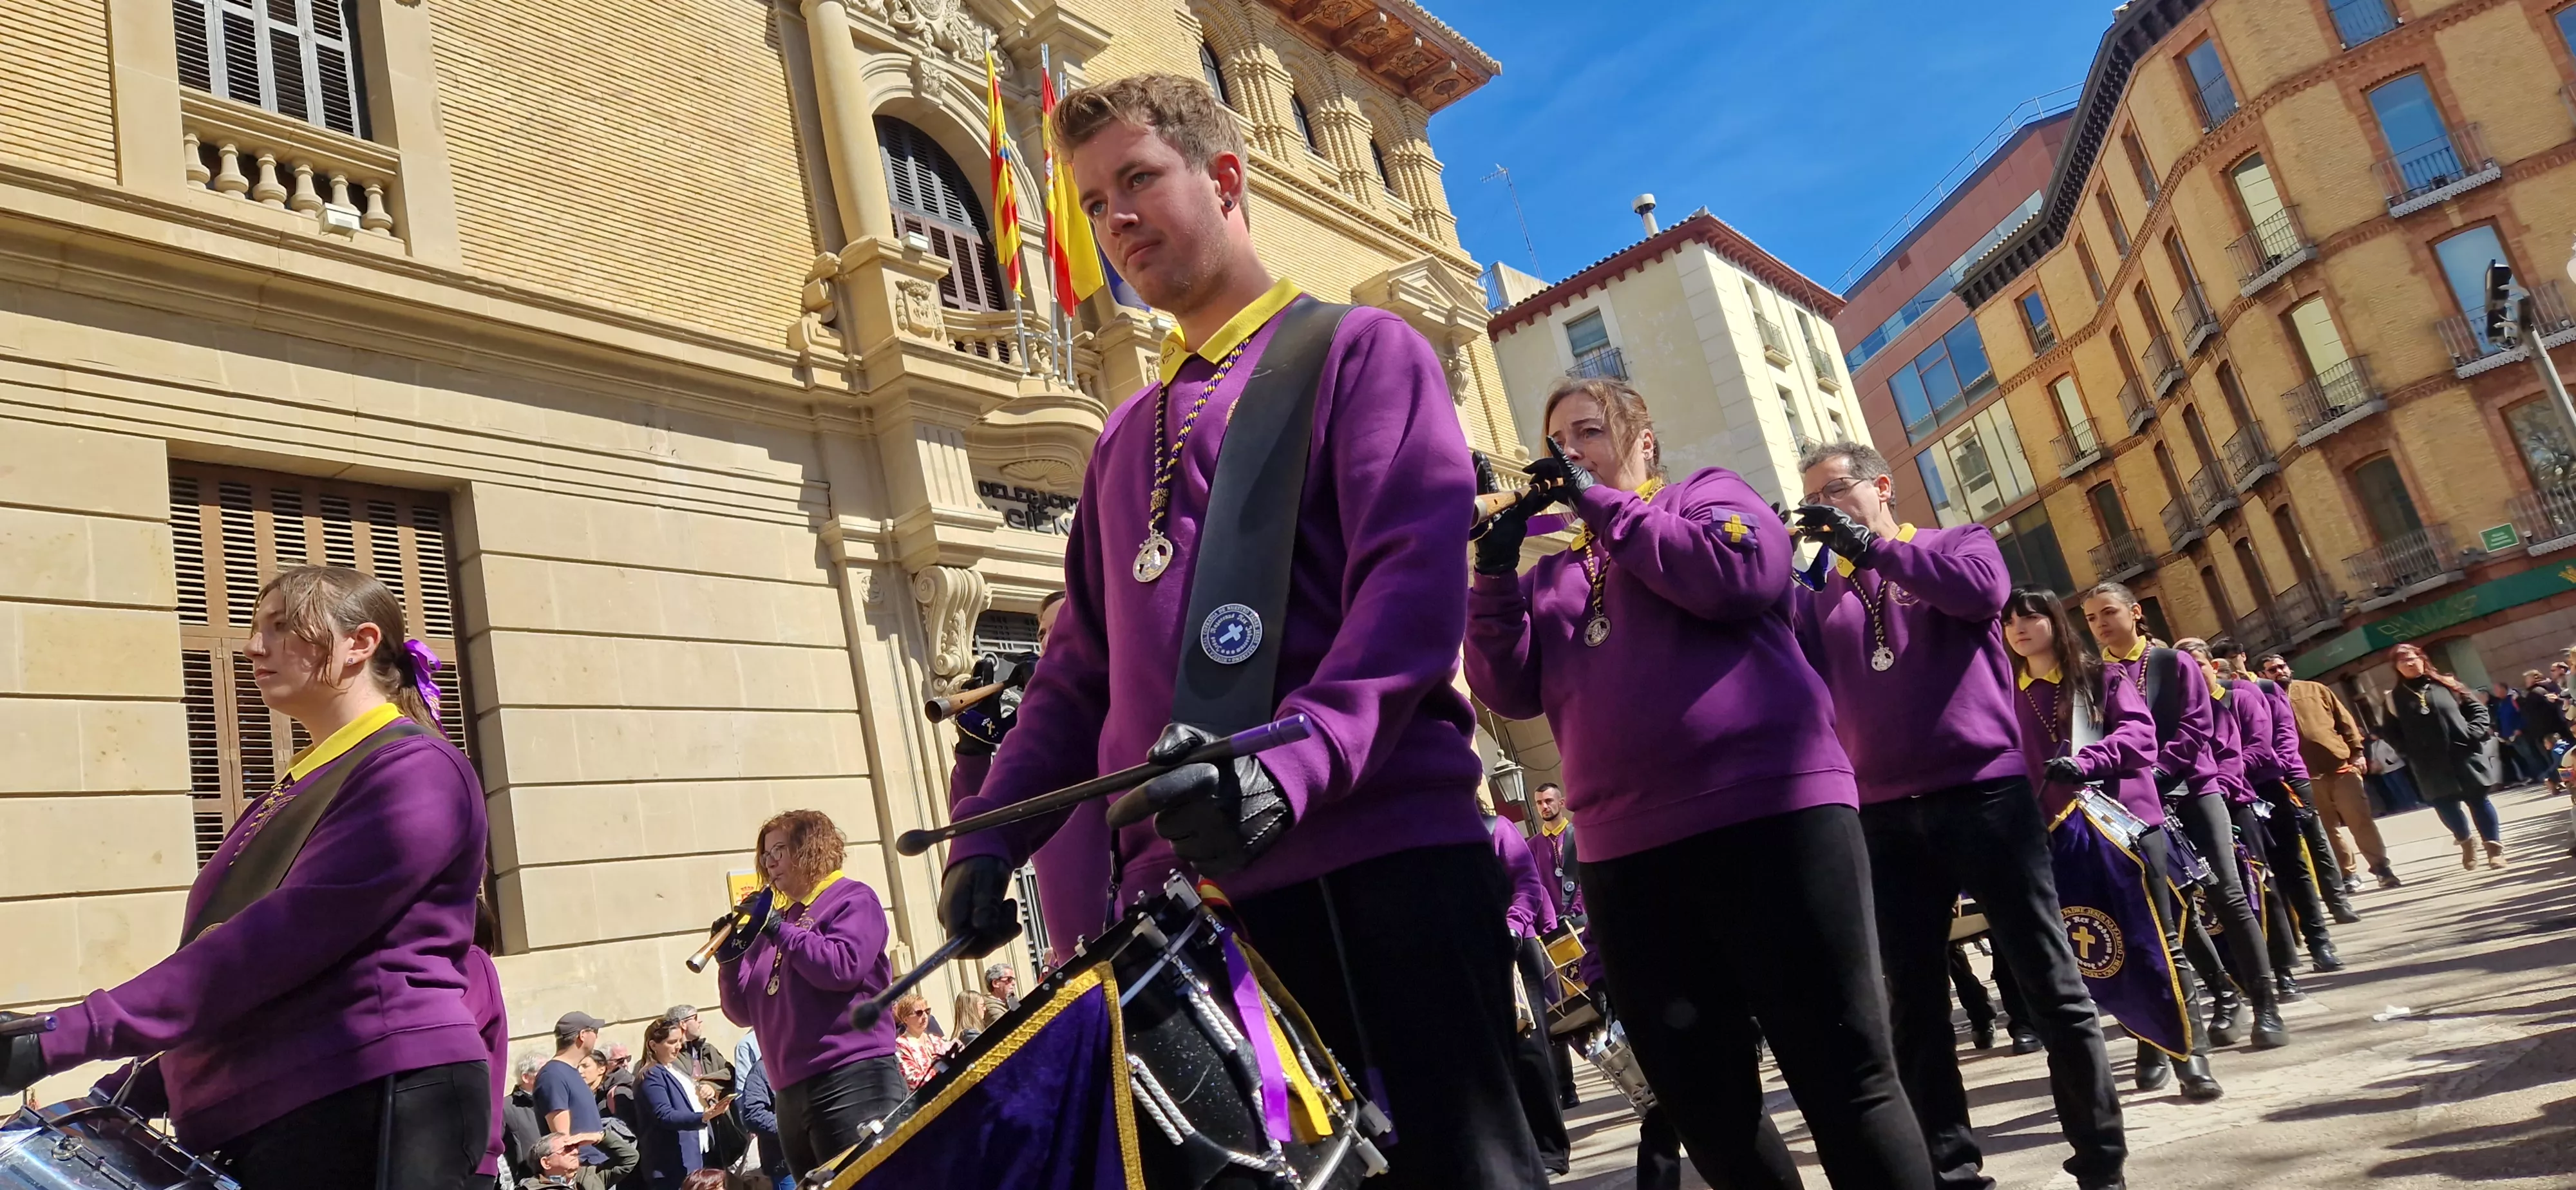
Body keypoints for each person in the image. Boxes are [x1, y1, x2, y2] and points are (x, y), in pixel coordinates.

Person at [938, 71, 1544, 1186]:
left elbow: (1409, 599)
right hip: (1197, 904)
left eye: (1137, 180)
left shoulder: (1362, 353)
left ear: (1224, 179)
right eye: (1092, 200)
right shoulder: (1125, 438)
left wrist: (1295, 757)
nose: (1115, 217)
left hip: (1380, 856)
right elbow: (1074, 678)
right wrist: (989, 834)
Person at [1470, 397, 1931, 1189]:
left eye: (1589, 430)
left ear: (1646, 440)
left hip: (1773, 818)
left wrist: (1594, 496)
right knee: (1704, 1104)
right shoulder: (1550, 572)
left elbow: (1740, 576)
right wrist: (1490, 572)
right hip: (1626, 851)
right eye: (1558, 440)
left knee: (1842, 1074)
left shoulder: (1708, 497)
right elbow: (1508, 689)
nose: (1570, 449)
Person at [0, 566, 489, 1189]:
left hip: (368, 1096)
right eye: (256, 630)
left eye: (283, 627)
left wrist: (68, 1033)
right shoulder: (300, 785)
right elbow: (231, 967)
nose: (255, 647)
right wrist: (137, 1083)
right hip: (286, 1111)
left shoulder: (415, 768)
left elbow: (278, 941)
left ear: (360, 644)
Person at [1790, 443, 2125, 1190]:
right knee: (1911, 1003)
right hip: (1879, 812)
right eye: (1811, 499)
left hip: (1983, 793)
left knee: (2049, 980)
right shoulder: (1818, 593)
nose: (1823, 509)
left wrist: (1871, 549)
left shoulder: (1956, 545)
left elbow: (1980, 594)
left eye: (1836, 491)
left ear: (1881, 487)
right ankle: (1951, 1169)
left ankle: (2100, 1162)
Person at [2003, 590, 2223, 1102]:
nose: (2019, 627)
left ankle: (2192, 1054)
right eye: (2010, 620)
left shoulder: (2100, 678)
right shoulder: (2004, 694)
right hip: (2054, 835)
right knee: (2102, 945)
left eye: (2030, 616)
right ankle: (2148, 1040)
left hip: (2125, 825)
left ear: (2055, 621)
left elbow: (2141, 738)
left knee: (2160, 939)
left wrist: (2089, 762)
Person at [2079, 588, 2286, 1053]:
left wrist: (2161, 768)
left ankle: (2265, 1002)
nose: (2101, 624)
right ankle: (2222, 996)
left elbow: (2198, 726)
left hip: (2193, 789)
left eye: (2109, 613)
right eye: (2091, 618)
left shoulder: (2174, 662)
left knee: (2227, 893)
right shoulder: (2094, 677)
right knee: (2171, 907)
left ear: (2136, 612)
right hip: (2137, 803)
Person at [716, 809, 903, 1178]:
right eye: (765, 855)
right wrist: (731, 960)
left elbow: (842, 966)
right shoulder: (779, 921)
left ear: (809, 850)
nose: (769, 863)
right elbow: (743, 1012)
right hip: (789, 1090)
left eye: (779, 851)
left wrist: (778, 930)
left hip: (852, 1075)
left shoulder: (851, 899)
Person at [2199, 641, 2347, 974]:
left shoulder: (2250, 693)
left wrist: (2229, 773)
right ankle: (2281, 956)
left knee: (2294, 863)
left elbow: (2271, 740)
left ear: (2214, 664)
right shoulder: (2185, 707)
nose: (2192, 672)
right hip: (2227, 796)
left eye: (2200, 663)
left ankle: (2320, 940)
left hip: (2269, 785)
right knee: (2258, 877)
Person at [2261, 654, 2398, 889]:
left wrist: (2357, 752)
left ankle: (2382, 868)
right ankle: (2348, 873)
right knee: (2326, 828)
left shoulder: (2316, 689)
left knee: (2360, 820)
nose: (2279, 672)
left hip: (2341, 767)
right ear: (2264, 675)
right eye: (2272, 670)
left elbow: (2344, 720)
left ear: (2288, 667)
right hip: (2304, 775)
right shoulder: (2264, 699)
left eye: (2281, 666)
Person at [1488, 800, 1571, 1175]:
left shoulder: (1496, 827)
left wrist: (1514, 924)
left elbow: (1528, 883)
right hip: (1471, 952)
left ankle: (1552, 1150)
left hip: (1517, 946)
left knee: (1530, 1048)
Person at [2383, 643, 2506, 868]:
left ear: (2423, 660)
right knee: (2445, 806)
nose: (2410, 664)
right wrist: (2408, 751)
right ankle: (2466, 841)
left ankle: (2494, 849)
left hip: (2463, 754)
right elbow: (2390, 731)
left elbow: (2477, 710)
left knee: (2479, 800)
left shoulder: (2447, 684)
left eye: (2413, 658)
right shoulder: (2393, 698)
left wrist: (2473, 733)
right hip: (2428, 764)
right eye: (2403, 661)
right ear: (2396, 668)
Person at [1526, 780, 1585, 1110]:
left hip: (1585, 926)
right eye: (1539, 803)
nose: (1544, 807)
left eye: (1549, 800)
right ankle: (1567, 1088)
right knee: (1557, 1013)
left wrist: (1582, 913)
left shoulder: (1580, 833)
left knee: (1604, 999)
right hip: (1551, 934)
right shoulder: (1532, 845)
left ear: (1561, 801)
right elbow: (1533, 887)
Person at [636, 1017, 727, 1189]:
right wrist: (704, 1116)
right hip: (671, 1165)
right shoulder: (651, 1075)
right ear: (653, 1045)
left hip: (696, 1155)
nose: (679, 1046)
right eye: (672, 1042)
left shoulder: (673, 1069)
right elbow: (665, 1115)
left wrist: (708, 1094)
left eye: (679, 1041)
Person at [732, 1030, 794, 1190]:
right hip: (785, 1163)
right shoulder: (761, 1070)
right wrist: (792, 1128)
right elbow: (753, 1114)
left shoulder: (803, 1062)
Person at [2518, 669, 2572, 794]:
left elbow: (2530, 712)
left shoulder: (2536, 692)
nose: (2525, 682)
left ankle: (2553, 779)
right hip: (2549, 730)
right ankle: (2556, 780)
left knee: (2557, 758)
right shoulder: (2542, 691)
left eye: (2527, 679)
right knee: (2558, 757)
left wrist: (2521, 702)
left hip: (2547, 732)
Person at [893, 993, 953, 1090]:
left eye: (927, 1011)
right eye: (919, 1013)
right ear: (906, 1019)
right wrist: (941, 1066)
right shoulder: (900, 1045)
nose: (925, 1017)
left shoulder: (936, 1040)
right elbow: (915, 1081)